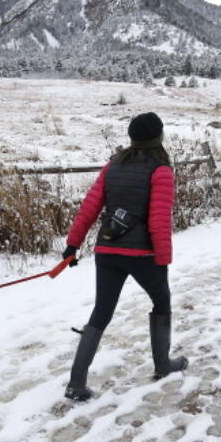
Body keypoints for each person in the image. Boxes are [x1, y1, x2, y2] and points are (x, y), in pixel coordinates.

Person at [61, 112, 188, 401]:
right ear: (159, 137)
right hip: (141, 254)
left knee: (101, 313)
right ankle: (163, 365)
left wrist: (73, 245)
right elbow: (158, 221)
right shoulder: (161, 170)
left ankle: (76, 384)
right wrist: (163, 259)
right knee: (162, 301)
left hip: (106, 250)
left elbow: (89, 208)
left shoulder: (113, 165)